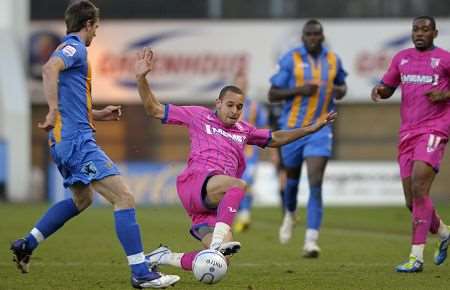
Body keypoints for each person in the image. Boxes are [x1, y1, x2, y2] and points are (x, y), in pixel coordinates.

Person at [9, 1, 179, 288]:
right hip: (76, 143)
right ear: (87, 24)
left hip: (65, 141)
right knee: (123, 197)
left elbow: (69, 98)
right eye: (96, 27)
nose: (96, 33)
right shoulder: (74, 47)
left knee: (82, 199)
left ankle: (27, 244)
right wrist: (50, 110)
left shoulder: (74, 51)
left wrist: (98, 114)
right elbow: (50, 69)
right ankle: (140, 272)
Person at [134, 47, 337, 273]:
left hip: (210, 206)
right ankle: (221, 238)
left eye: (239, 107)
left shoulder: (244, 130)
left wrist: (311, 128)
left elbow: (276, 137)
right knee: (238, 185)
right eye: (230, 105)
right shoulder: (199, 115)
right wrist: (141, 78)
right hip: (196, 182)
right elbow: (154, 109)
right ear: (218, 103)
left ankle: (163, 257)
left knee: (218, 263)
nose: (235, 111)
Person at [371, 16, 450, 273]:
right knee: (411, 200)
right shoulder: (401, 58)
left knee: (419, 186)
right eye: (416, 29)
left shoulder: (445, 58)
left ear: (435, 33)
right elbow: (389, 86)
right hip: (408, 133)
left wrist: (444, 94)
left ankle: (416, 257)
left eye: (425, 29)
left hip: (436, 127)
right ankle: (445, 232)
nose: (419, 33)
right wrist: (380, 91)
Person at [268, 19, 347, 258]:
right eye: (309, 34)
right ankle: (290, 214)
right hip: (292, 129)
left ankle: (311, 240)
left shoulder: (333, 60)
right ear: (303, 37)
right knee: (291, 182)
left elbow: (342, 87)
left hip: (321, 129)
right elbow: (273, 94)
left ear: (322, 37)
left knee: (315, 181)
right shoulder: (290, 59)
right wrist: (298, 90)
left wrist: (338, 91)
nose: (313, 37)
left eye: (317, 34)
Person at [232, 70, 268, 233]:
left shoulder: (255, 106)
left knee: (245, 183)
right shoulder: (225, 105)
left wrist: (271, 151)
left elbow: (264, 129)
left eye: (244, 84)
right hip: (230, 153)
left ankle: (245, 215)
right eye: (239, 84)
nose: (242, 87)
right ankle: (238, 214)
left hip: (249, 153)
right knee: (233, 186)